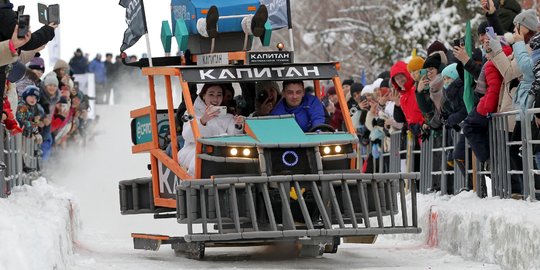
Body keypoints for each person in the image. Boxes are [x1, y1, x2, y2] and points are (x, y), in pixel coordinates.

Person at [178, 84, 245, 175]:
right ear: (203, 95)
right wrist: (202, 121)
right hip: (195, 151)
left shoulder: (229, 116)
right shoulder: (191, 113)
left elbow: (233, 137)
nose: (215, 99)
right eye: (211, 94)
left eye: (219, 95)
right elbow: (187, 135)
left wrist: (238, 125)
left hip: (223, 152)